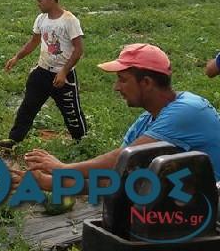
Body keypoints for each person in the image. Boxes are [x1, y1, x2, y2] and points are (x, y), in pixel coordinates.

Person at [25, 43, 220, 191]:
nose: (116, 87)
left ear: (146, 82)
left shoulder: (188, 109)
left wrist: (63, 168)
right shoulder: (146, 122)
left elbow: (119, 159)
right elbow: (115, 176)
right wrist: (48, 182)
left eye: (123, 80)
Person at [0, 0, 87, 149]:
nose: (38, 2)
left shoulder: (69, 20)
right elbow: (34, 42)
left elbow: (79, 50)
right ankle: (13, 140)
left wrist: (64, 72)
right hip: (42, 71)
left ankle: (83, 144)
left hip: (63, 75)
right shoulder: (41, 19)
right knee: (27, 108)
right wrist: (17, 57)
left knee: (72, 113)